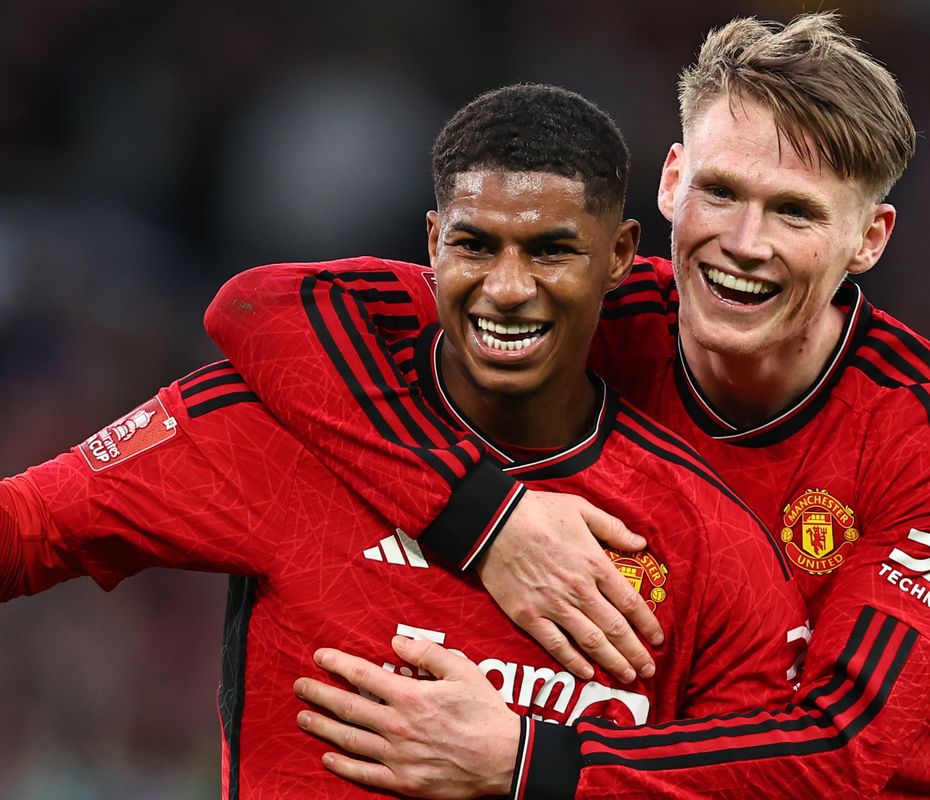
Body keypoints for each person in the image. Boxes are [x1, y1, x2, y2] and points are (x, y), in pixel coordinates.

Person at [206, 13, 930, 799]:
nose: (744, 242)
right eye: (722, 192)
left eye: (795, 211)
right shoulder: (593, 308)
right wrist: (483, 517)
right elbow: (264, 309)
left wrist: (533, 764)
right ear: (670, 183)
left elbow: (841, 747)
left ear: (870, 239)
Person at [0, 84, 807, 798]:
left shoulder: (707, 536)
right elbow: (26, 529)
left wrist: (530, 766)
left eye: (552, 249)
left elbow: (774, 780)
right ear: (432, 243)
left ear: (622, 257)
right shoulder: (284, 428)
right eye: (476, 245)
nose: (509, 288)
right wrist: (482, 519)